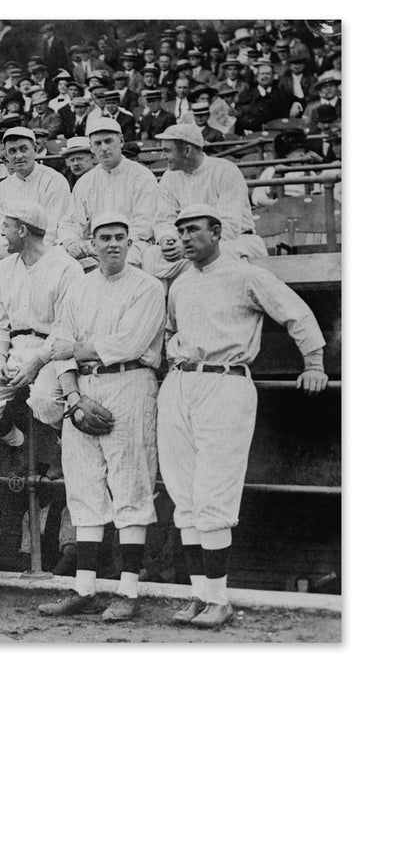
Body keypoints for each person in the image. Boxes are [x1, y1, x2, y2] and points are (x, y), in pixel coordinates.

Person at [156, 204, 328, 629]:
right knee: (184, 495)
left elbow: (297, 313)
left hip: (226, 382)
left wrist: (314, 364)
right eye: (180, 230)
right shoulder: (179, 282)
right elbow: (170, 331)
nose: (185, 237)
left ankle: (219, 599)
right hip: (180, 382)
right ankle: (200, 595)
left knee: (214, 491)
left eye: (193, 229)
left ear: (216, 233)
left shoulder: (246, 274)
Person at [36, 213, 166, 622]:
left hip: (130, 383)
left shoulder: (148, 286)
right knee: (84, 486)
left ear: (130, 243)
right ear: (92, 244)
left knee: (131, 483)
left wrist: (72, 350)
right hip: (84, 387)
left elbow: (129, 343)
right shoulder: (79, 287)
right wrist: (73, 397)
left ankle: (128, 590)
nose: (112, 244)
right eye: (104, 238)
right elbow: (59, 346)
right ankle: (85, 588)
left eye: (120, 238)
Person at [0, 202, 83, 451]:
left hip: (54, 352)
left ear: (23, 231)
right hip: (16, 348)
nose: (1, 233)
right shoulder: (4, 268)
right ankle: (21, 445)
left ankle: (63, 448)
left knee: (45, 401)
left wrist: (37, 361)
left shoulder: (67, 268)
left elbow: (65, 329)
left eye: (6, 227)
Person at [142, 123, 266, 281]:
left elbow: (229, 227)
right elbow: (164, 220)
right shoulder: (169, 177)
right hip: (187, 244)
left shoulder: (226, 171)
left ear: (187, 150)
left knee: (218, 255)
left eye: (167, 150)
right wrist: (168, 239)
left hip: (234, 241)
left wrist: (188, 246)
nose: (162, 157)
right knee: (152, 255)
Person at [58, 117, 157, 267]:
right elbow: (72, 222)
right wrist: (71, 242)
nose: (103, 148)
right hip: (94, 246)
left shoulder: (142, 176)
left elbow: (143, 225)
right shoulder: (85, 182)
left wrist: (112, 245)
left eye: (108, 141)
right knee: (59, 260)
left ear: (121, 141)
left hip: (132, 244)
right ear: (91, 148)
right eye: (98, 143)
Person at [0, 126, 71, 267]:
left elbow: (51, 232)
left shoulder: (54, 180)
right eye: (12, 151)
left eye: (23, 149)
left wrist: (14, 255)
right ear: (7, 156)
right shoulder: (2, 188)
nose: (18, 156)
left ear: (34, 149)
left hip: (46, 253)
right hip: (8, 254)